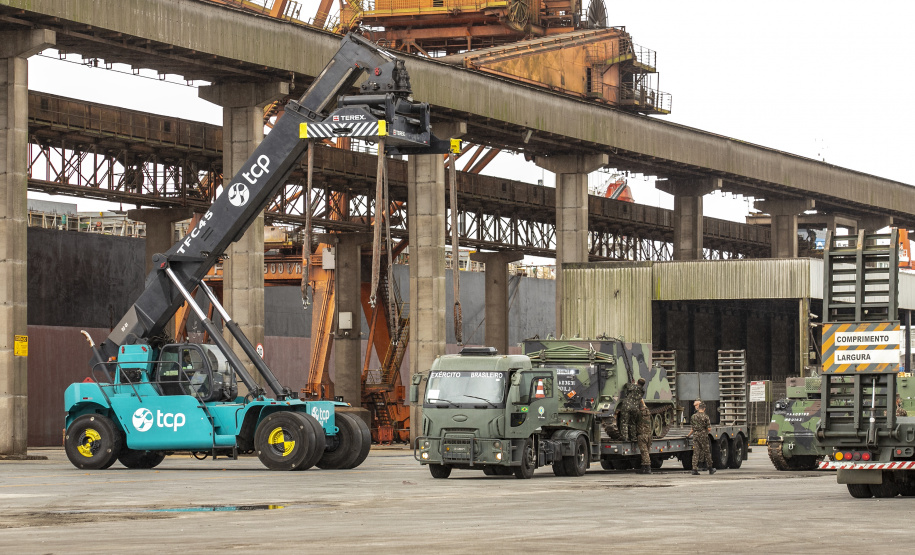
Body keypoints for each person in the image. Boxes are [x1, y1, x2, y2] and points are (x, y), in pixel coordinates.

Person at [687, 402, 715, 475]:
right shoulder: (706, 417)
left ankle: (694, 469)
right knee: (707, 452)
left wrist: (688, 435)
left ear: (698, 408)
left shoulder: (693, 416)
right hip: (703, 435)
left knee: (696, 452)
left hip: (695, 435)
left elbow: (692, 428)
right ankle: (710, 468)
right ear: (704, 408)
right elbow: (709, 428)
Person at [637, 399, 653, 474]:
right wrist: (642, 401)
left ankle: (648, 468)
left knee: (644, 452)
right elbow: (645, 407)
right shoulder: (648, 412)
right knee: (647, 451)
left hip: (642, 435)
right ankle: (643, 468)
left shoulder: (639, 414)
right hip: (649, 435)